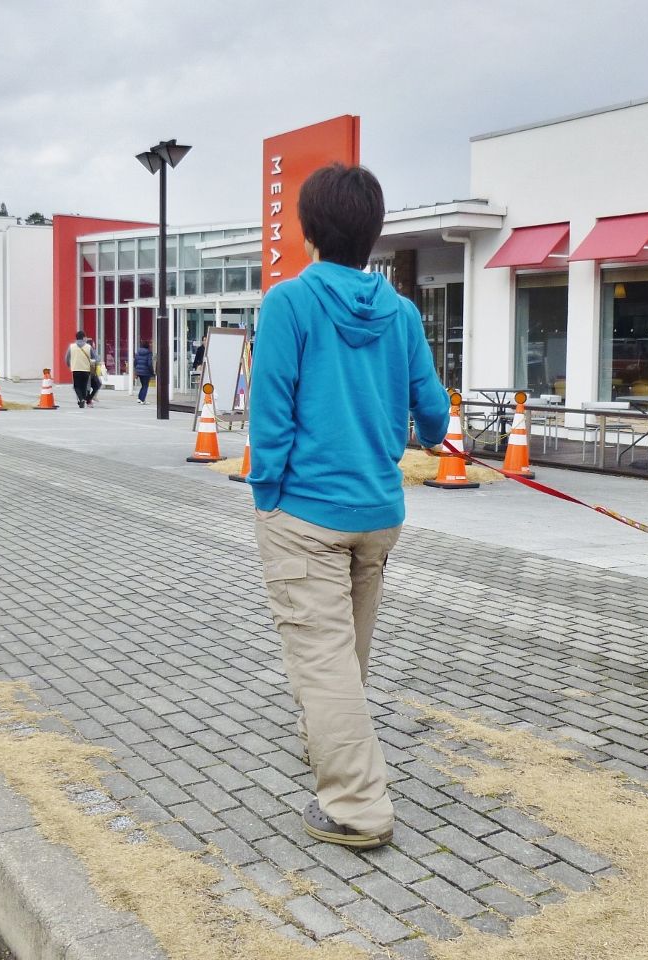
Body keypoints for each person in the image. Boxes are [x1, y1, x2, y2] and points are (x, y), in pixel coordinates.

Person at [249, 163, 449, 849]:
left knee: (323, 659)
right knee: (346, 650)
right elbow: (434, 415)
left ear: (308, 230)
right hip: (377, 510)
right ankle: (325, 739)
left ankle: (358, 808)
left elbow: (269, 416)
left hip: (306, 510)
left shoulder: (289, 303)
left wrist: (267, 491)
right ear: (374, 234)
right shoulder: (400, 313)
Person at [63, 330, 95, 408]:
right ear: (83, 337)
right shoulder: (88, 347)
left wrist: (70, 365)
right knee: (84, 386)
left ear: (76, 338)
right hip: (86, 369)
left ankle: (81, 399)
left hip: (76, 369)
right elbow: (93, 358)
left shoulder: (71, 347)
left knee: (76, 386)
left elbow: (67, 358)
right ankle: (83, 399)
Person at [133, 340, 154, 404]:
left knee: (143, 385)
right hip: (146, 372)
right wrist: (152, 372)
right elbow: (149, 364)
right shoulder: (149, 353)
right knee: (145, 386)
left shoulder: (138, 352)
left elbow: (135, 362)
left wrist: (136, 369)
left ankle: (139, 398)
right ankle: (142, 399)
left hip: (139, 371)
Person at [85, 338, 102, 407]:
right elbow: (97, 359)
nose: (95, 344)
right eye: (93, 343)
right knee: (90, 387)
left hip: (92, 372)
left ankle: (89, 399)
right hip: (88, 372)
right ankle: (88, 401)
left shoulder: (92, 350)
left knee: (97, 384)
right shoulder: (90, 351)